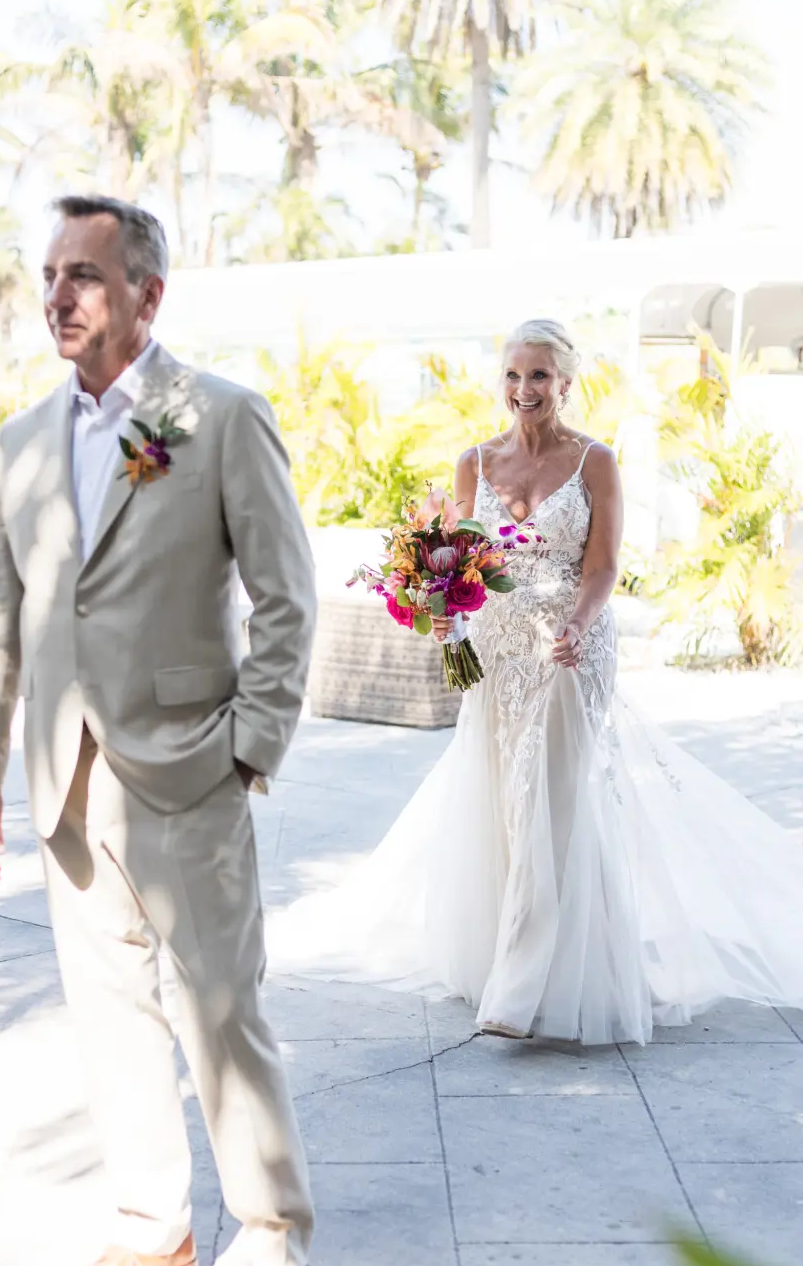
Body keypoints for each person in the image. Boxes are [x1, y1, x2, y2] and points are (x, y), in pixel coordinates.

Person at [0, 194, 318, 1266]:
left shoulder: (216, 418)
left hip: (189, 768)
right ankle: (150, 1228)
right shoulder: (21, 441)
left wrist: (248, 745)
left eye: (84, 276)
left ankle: (271, 1248)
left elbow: (287, 597)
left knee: (221, 1013)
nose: (57, 295)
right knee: (110, 1022)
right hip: (65, 782)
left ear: (147, 297)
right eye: (49, 272)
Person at [267, 318, 803, 1045]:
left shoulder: (596, 463)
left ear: (567, 382)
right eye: (515, 375)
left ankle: (519, 987)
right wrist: (442, 610)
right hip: (496, 652)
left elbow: (605, 564)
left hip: (568, 650)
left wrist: (578, 624)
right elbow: (455, 562)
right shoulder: (473, 465)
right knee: (503, 798)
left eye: (540, 376)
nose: (525, 390)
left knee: (549, 796)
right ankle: (531, 952)